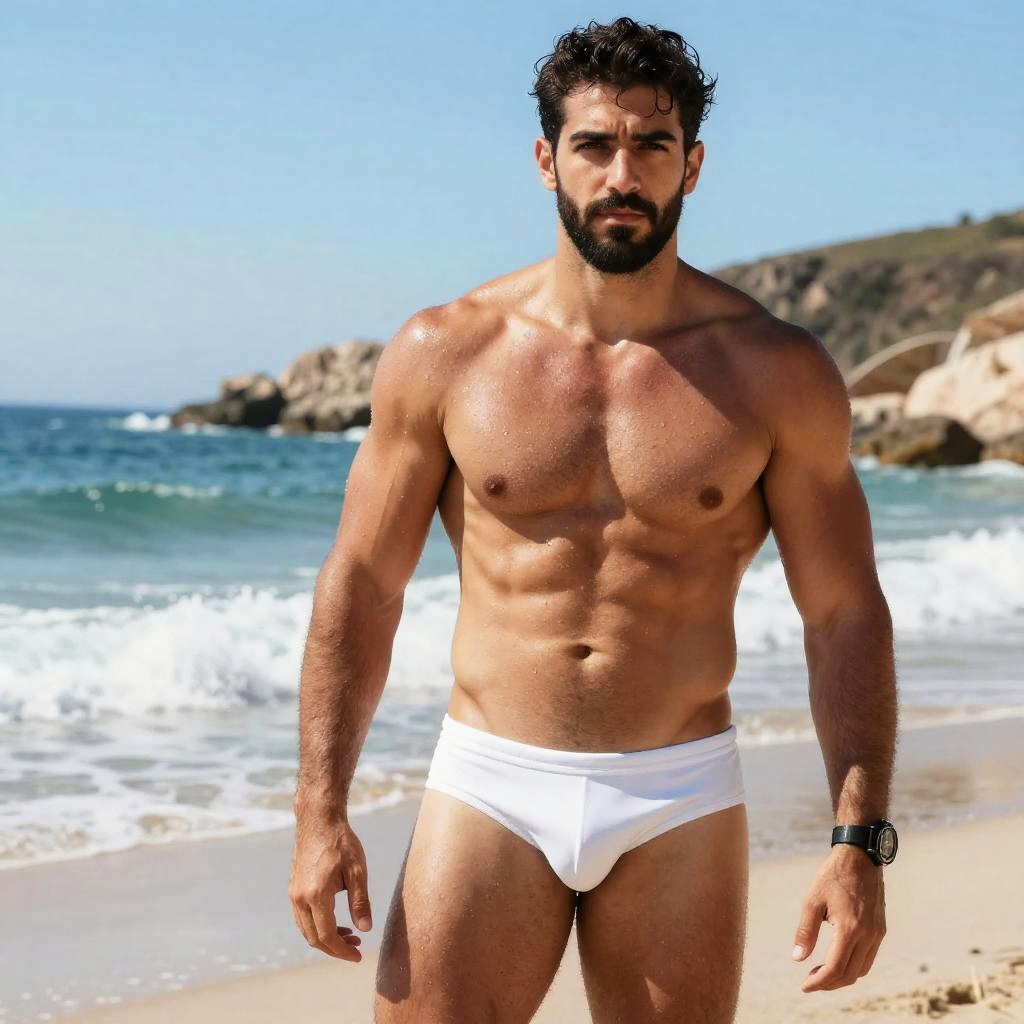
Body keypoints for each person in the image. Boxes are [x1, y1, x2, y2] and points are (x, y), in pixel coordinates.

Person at [288, 16, 898, 1023]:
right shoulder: (447, 352)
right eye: (594, 145)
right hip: (490, 776)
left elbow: (843, 612)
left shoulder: (774, 371)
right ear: (546, 160)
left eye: (652, 146)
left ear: (691, 166)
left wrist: (858, 841)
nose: (623, 172)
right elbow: (362, 582)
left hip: (680, 790)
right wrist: (320, 812)